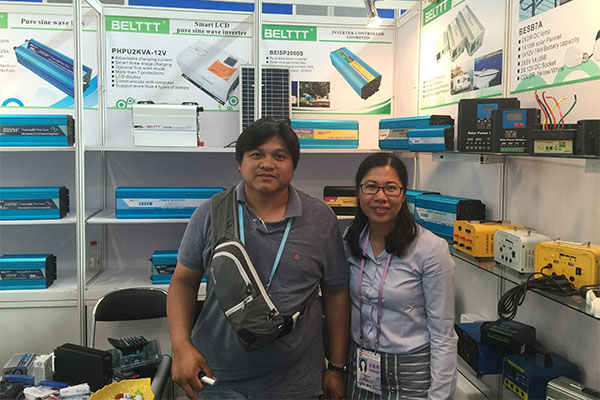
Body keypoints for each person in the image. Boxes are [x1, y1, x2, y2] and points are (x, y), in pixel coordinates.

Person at [167, 117, 350, 400]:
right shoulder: (210, 214)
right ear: (240, 163)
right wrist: (181, 347)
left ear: (293, 165)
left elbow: (336, 293)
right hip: (218, 380)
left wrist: (336, 367)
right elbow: (182, 283)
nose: (268, 164)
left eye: (280, 156)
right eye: (256, 154)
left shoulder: (320, 219)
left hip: (296, 384)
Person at [344, 153, 457, 400]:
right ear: (359, 191)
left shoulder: (430, 249)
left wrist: (440, 396)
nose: (380, 196)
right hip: (360, 366)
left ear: (404, 194)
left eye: (391, 188)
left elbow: (443, 334)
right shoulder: (350, 241)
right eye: (371, 187)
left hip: (411, 372)